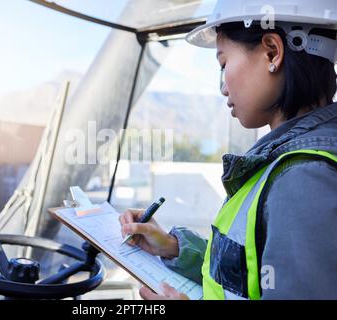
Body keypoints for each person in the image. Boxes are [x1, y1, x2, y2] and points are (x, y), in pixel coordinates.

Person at [119, 0, 337, 300]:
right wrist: (174, 247)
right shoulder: (290, 162)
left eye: (224, 65)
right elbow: (254, 275)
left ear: (272, 52)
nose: (223, 87)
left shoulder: (304, 178)